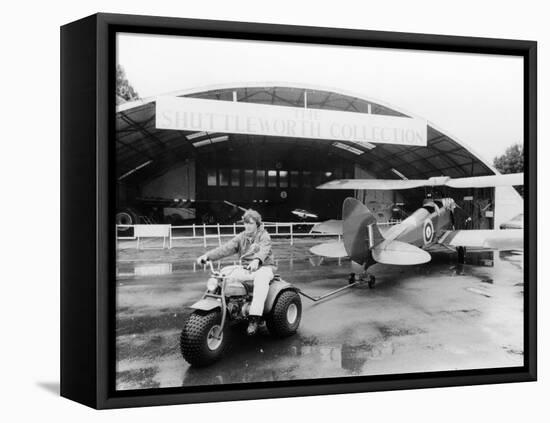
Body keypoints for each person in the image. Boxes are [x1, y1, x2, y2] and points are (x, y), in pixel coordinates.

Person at [196, 209, 275, 336]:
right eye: (245, 223)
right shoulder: (241, 237)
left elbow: (264, 249)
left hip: (264, 267)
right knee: (223, 273)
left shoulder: (263, 235)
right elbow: (225, 249)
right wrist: (207, 256)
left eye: (251, 223)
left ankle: (254, 318)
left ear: (257, 224)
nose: (247, 226)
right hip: (246, 268)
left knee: (262, 279)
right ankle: (222, 307)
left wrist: (256, 260)